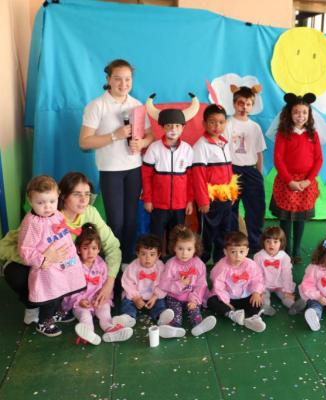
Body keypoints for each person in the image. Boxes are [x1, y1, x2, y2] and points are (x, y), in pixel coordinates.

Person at [1, 172, 121, 326]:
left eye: (87, 194)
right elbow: (6, 247)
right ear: (63, 196)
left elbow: (113, 247)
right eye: (77, 194)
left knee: (110, 275)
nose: (84, 200)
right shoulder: (42, 218)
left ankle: (60, 305)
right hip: (43, 268)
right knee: (15, 273)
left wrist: (109, 283)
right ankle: (34, 306)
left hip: (67, 268)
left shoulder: (89, 212)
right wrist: (44, 258)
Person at [79, 59, 154, 264]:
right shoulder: (97, 105)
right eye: (118, 79)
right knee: (116, 221)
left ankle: (127, 261)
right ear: (108, 80)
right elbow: (84, 142)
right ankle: (112, 260)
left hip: (134, 169)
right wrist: (115, 135)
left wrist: (142, 143)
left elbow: (150, 135)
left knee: (131, 221)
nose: (123, 84)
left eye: (128, 79)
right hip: (111, 171)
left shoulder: (136, 105)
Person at [17, 176, 86, 337]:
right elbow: (25, 251)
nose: (47, 207)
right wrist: (43, 260)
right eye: (40, 203)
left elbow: (65, 235)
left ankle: (56, 313)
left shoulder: (57, 215)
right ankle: (44, 321)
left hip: (64, 262)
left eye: (52, 201)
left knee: (63, 290)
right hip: (47, 266)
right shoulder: (32, 223)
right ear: (30, 200)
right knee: (50, 294)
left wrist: (72, 254)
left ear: (58, 197)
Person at [270, 93, 323, 264]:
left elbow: (319, 159)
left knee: (300, 219)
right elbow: (278, 159)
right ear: (289, 114)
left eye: (304, 113)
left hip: (306, 183)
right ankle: (285, 250)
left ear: (309, 115)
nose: (300, 116)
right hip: (288, 182)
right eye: (296, 112)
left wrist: (308, 180)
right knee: (286, 219)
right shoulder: (283, 134)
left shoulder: (312, 134)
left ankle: (296, 250)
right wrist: (289, 181)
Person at [142, 94, 198, 249]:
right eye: (169, 126)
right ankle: (157, 263)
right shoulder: (154, 148)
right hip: (158, 205)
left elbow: (191, 178)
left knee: (177, 238)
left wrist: (189, 201)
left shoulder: (187, 150)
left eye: (177, 126)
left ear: (183, 127)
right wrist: (148, 199)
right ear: (162, 127)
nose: (173, 129)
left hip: (180, 205)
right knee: (156, 237)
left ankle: (175, 263)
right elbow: (146, 176)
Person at [64, 223, 133, 345]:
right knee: (85, 317)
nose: (90, 252)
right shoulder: (74, 265)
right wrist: (79, 300)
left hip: (98, 299)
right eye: (85, 248)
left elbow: (106, 286)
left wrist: (102, 298)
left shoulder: (101, 265)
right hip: (80, 302)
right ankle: (87, 334)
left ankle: (111, 329)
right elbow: (70, 288)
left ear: (99, 249)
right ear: (78, 249)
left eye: (94, 248)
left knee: (105, 312)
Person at [192, 104, 238, 264]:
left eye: (221, 122)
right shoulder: (201, 146)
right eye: (212, 122)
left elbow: (229, 171)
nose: (217, 126)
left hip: (224, 198)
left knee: (224, 233)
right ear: (204, 124)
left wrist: (232, 192)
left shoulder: (224, 144)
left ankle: (220, 264)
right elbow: (198, 176)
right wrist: (203, 200)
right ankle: (199, 265)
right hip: (209, 201)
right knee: (207, 234)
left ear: (225, 124)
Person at [224, 85, 267, 255]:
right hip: (231, 171)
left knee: (256, 209)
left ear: (252, 106)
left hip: (251, 171)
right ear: (234, 104)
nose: (244, 107)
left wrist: (259, 174)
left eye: (248, 104)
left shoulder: (255, 127)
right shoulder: (228, 124)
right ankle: (233, 245)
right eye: (241, 103)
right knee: (230, 210)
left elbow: (259, 153)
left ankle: (255, 245)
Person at [114, 234, 181, 338]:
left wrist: (155, 296)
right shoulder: (133, 267)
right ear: (137, 254)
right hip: (136, 296)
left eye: (152, 254)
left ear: (158, 255)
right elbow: (127, 283)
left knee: (161, 303)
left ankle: (161, 316)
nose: (147, 258)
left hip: (153, 296)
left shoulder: (160, 267)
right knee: (127, 303)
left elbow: (164, 283)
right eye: (143, 254)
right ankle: (128, 317)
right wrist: (135, 297)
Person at [158, 225, 217, 336]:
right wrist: (179, 284)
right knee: (176, 313)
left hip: (191, 296)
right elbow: (164, 284)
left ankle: (198, 325)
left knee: (195, 311)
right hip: (174, 297)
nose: (184, 253)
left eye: (189, 249)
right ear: (174, 247)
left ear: (195, 249)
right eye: (180, 249)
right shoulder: (171, 264)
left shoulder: (198, 264)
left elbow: (201, 285)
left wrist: (194, 299)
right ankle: (174, 328)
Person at [207, 231, 267, 333]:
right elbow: (218, 286)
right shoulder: (221, 267)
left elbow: (257, 279)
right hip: (228, 298)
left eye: (241, 252)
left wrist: (256, 292)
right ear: (225, 252)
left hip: (245, 296)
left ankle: (254, 318)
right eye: (233, 252)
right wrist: (226, 302)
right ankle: (232, 314)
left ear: (247, 251)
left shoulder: (250, 265)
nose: (238, 256)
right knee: (211, 301)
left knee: (257, 300)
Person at [253, 227, 305, 316]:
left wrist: (288, 290)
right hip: (264, 284)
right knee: (264, 295)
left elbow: (287, 275)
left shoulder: (284, 257)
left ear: (281, 243)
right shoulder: (258, 256)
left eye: (275, 242)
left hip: (279, 284)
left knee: (285, 295)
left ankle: (293, 306)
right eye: (268, 241)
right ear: (263, 242)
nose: (271, 245)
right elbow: (257, 275)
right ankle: (265, 307)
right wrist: (258, 290)